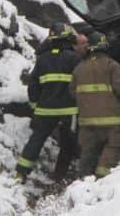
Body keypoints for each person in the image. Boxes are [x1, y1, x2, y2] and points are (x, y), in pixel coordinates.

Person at [16, 22, 82, 181]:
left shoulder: (42, 59)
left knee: (37, 139)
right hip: (69, 111)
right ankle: (60, 176)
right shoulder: (75, 58)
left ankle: (21, 172)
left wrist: (35, 105)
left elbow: (33, 85)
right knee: (68, 143)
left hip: (45, 110)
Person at [71, 31, 120, 178]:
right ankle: (101, 176)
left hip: (86, 121)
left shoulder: (79, 68)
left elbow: (72, 92)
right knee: (116, 145)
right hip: (111, 120)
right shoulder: (112, 65)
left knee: (88, 152)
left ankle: (82, 181)